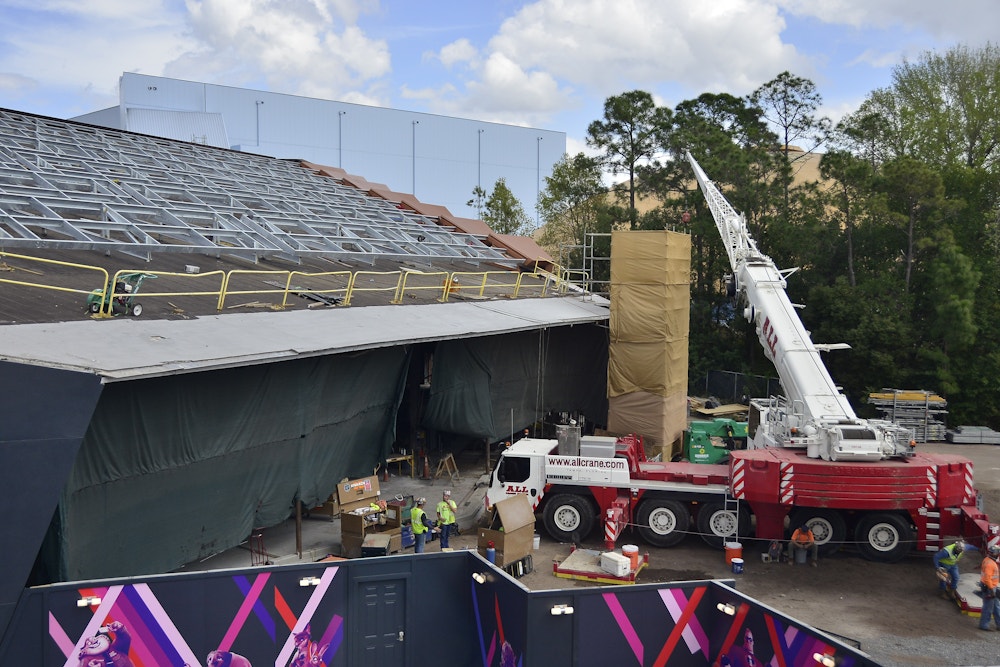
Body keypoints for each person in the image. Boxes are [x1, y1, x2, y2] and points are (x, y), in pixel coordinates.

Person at [979, 544, 1000, 631]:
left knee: (996, 606)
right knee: (988, 607)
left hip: (990, 587)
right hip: (989, 588)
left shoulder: (987, 560)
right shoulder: (990, 564)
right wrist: (991, 590)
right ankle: (984, 625)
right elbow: (987, 578)